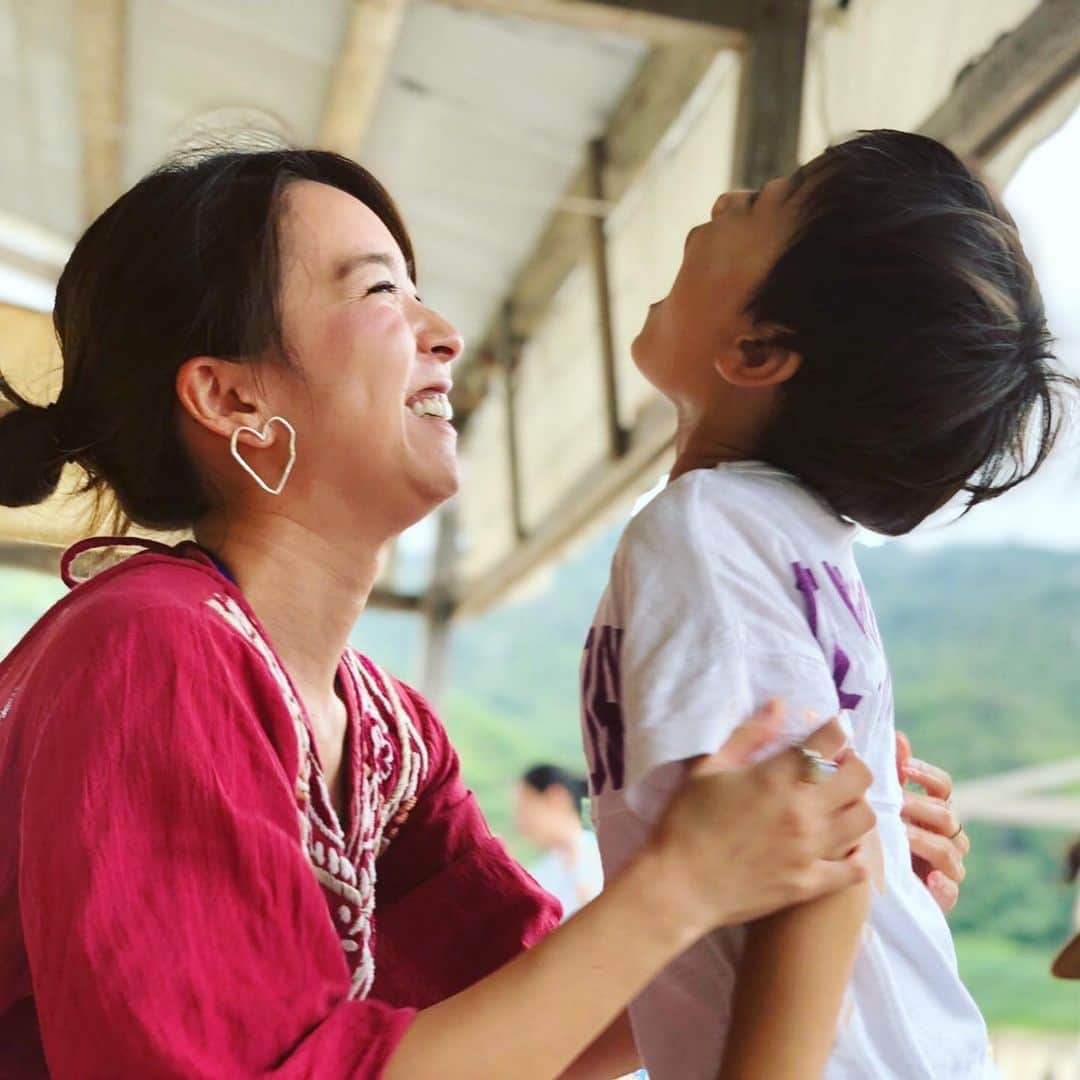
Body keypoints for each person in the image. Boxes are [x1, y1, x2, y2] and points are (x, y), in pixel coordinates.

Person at [0, 148, 961, 1078]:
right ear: (231, 396)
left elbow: (542, 1023)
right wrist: (683, 885)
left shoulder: (390, 731)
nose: (443, 332)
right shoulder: (150, 648)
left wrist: (810, 866)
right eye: (381, 291)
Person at [581, 130, 1068, 1080]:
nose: (722, 201)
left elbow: (811, 846)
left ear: (758, 350)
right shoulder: (797, 542)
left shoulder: (704, 531)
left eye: (761, 202)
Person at [516, 764, 603, 919]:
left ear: (556, 797)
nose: (520, 823)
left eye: (524, 808)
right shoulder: (539, 871)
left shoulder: (606, 855)